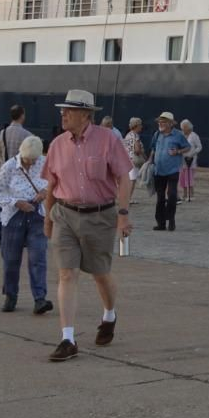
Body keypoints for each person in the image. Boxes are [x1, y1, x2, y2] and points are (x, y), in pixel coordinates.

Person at [41, 88, 132, 363]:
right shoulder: (57, 144)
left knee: (100, 273)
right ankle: (68, 338)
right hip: (65, 215)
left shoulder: (107, 141)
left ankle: (109, 315)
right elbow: (51, 184)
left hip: (100, 216)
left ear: (85, 114)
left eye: (68, 111)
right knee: (66, 274)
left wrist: (123, 214)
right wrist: (47, 216)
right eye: (62, 110)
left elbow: (125, 178)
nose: (63, 114)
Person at [0, 135, 53, 315]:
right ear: (21, 154)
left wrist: (45, 192)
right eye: (26, 160)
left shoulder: (45, 163)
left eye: (33, 161)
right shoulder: (9, 167)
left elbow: (56, 183)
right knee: (11, 259)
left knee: (38, 258)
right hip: (14, 216)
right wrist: (15, 202)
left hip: (37, 214)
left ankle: (40, 299)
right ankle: (10, 295)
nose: (30, 164)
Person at [0, 105, 34, 248]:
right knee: (20, 205)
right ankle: (20, 238)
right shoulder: (27, 135)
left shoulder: (2, 133)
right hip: (20, 173)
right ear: (22, 115)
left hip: (4, 171)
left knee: (1, 203)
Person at [148, 112, 191, 231]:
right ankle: (161, 223)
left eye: (163, 122)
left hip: (172, 170)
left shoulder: (178, 135)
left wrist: (177, 152)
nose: (160, 124)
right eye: (159, 122)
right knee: (160, 198)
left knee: (172, 196)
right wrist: (150, 161)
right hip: (158, 170)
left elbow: (188, 147)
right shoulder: (157, 134)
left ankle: (171, 219)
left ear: (170, 124)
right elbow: (153, 148)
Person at [122, 117, 146, 204]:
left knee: (129, 179)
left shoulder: (128, 135)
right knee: (132, 180)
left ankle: (127, 197)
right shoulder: (136, 136)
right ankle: (128, 198)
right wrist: (143, 153)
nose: (141, 127)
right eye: (140, 125)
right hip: (134, 160)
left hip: (127, 160)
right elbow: (137, 150)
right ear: (136, 126)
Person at [179, 119, 202, 202]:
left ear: (189, 128)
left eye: (184, 128)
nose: (183, 129)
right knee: (182, 178)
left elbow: (199, 147)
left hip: (190, 160)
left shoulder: (194, 135)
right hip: (181, 160)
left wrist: (192, 154)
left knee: (189, 178)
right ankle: (184, 194)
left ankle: (191, 194)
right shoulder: (181, 135)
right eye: (182, 128)